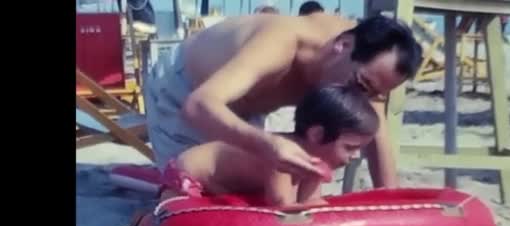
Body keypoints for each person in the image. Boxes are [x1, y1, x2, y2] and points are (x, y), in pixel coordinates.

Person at [144, 13, 422, 190]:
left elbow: (376, 134)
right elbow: (198, 105)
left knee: (249, 187)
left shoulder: (367, 67)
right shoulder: (281, 42)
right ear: (343, 45)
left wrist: (391, 204)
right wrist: (268, 144)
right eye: (362, 86)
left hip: (246, 106)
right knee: (186, 184)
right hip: (186, 88)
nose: (362, 99)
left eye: (374, 95)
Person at [121, 84, 378, 226]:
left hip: (223, 184)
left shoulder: (314, 164)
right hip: (188, 174)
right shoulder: (281, 156)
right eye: (350, 147)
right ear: (318, 135)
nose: (356, 157)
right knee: (171, 221)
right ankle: (142, 222)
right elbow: (283, 210)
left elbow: (312, 204)